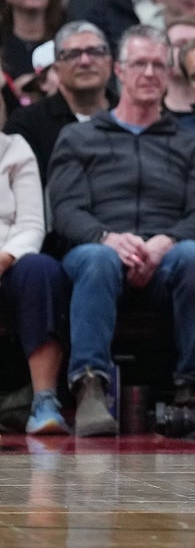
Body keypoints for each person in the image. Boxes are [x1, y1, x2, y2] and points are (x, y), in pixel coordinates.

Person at [48, 24, 195, 436]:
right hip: (98, 253)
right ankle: (90, 387)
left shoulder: (192, 144)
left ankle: (194, 390)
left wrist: (166, 242)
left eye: (158, 65)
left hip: (166, 257)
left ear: (169, 73)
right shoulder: (78, 137)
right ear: (119, 71)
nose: (149, 73)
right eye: (139, 63)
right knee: (96, 259)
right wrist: (106, 237)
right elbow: (65, 209)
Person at [0, 130, 71, 435]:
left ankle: (44, 402)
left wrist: (5, 258)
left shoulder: (14, 148)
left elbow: (31, 225)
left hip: (8, 261)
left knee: (42, 269)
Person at [4, 20, 114, 177]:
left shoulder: (133, 117)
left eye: (95, 52)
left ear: (110, 62)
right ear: (57, 69)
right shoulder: (27, 124)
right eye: (73, 54)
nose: (85, 61)